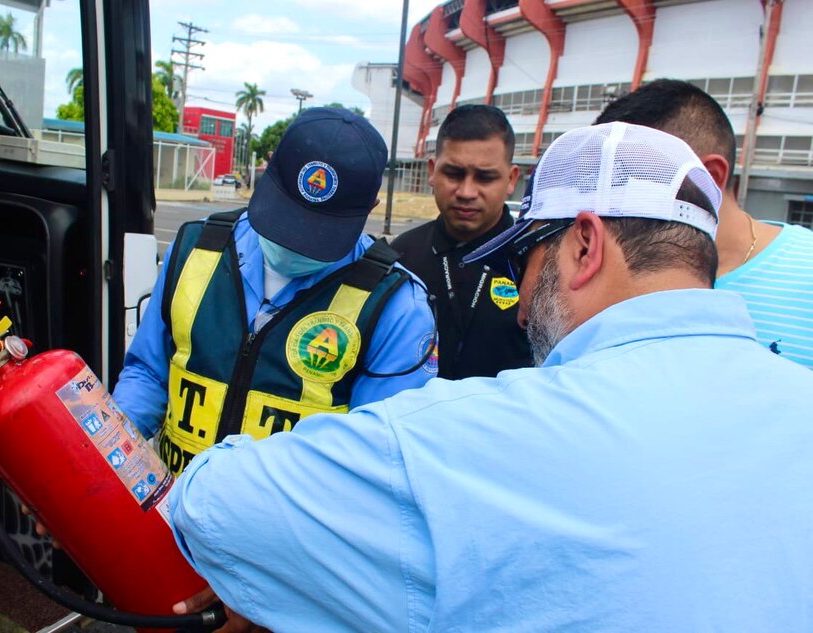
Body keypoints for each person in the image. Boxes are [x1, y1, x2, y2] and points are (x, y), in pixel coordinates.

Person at [168, 123, 813, 632]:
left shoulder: (472, 436)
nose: (521, 298)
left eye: (524, 262)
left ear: (584, 246)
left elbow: (216, 504)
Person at [112, 106, 436, 478]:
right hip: (170, 513)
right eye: (284, 219)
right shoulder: (197, 248)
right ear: (267, 171)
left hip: (286, 535)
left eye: (316, 235)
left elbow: (375, 461)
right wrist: (109, 464)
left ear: (370, 209)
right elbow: (149, 374)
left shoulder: (395, 307)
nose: (292, 245)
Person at [596, 78, 813, 368]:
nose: (613, 196)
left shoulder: (805, 273)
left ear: (709, 177)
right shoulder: (614, 272)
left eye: (634, 175)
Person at [391, 104, 531, 377]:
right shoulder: (400, 255)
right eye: (454, 174)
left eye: (485, 177)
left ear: (512, 179)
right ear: (432, 171)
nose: (466, 192)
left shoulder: (536, 262)